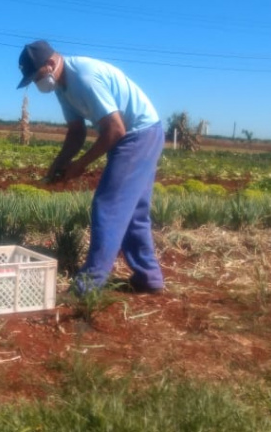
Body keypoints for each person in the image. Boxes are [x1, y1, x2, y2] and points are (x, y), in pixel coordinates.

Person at [16, 40, 165, 295]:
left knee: (108, 206)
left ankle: (88, 286)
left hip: (139, 134)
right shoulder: (62, 88)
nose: (36, 83)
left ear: (51, 63)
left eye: (36, 75)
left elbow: (115, 129)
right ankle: (149, 277)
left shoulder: (83, 77)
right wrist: (60, 163)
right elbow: (76, 132)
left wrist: (81, 165)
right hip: (137, 133)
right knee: (134, 212)